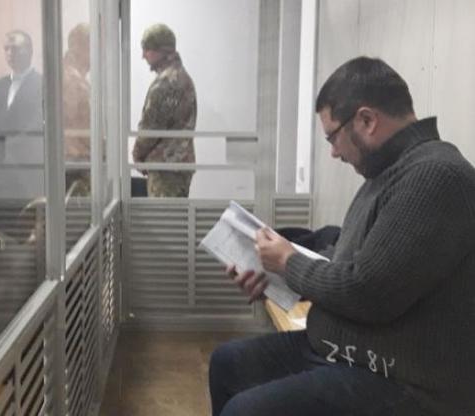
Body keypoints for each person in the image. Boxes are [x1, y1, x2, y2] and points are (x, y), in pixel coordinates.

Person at [209, 57, 475, 416]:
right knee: (227, 362)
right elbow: (347, 263)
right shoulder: (388, 174)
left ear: (366, 120)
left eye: (332, 136)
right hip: (343, 351)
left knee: (246, 411)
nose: (334, 152)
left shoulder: (435, 177)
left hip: (403, 380)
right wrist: (274, 278)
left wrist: (289, 262)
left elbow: (369, 292)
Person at [132, 23, 196, 197]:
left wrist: (137, 155)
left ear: (161, 50)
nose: (143, 56)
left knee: (162, 215)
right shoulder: (182, 77)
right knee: (174, 214)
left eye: (147, 49)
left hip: (165, 170)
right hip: (177, 166)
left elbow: (150, 128)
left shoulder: (165, 82)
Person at [0, 30, 43, 133]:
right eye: (6, 49)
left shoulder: (42, 84)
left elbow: (37, 123)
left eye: (15, 48)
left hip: (29, 142)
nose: (10, 53)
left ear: (30, 51)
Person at [62, 23, 91, 196]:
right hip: (76, 164)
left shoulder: (66, 75)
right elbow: (82, 127)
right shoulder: (73, 81)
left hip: (73, 162)